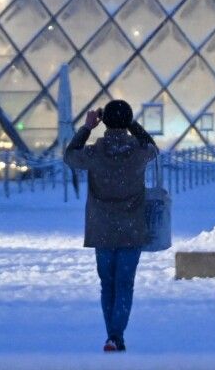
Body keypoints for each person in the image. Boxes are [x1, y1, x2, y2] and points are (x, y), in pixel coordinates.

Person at [63, 100, 159, 353]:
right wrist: (132, 124)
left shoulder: (95, 153)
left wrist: (86, 128)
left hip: (102, 228)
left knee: (108, 284)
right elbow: (153, 147)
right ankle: (116, 335)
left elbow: (69, 155)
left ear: (104, 122)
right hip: (131, 228)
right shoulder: (138, 152)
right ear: (127, 122)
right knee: (125, 284)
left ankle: (111, 336)